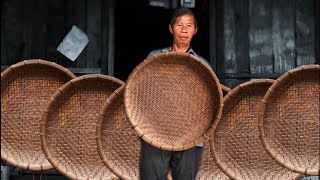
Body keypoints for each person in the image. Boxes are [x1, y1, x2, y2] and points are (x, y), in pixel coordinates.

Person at [140, 7, 210, 180]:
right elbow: (140, 90)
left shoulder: (202, 64)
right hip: (155, 131)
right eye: (179, 25)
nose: (184, 30)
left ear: (195, 30)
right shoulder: (155, 57)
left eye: (189, 25)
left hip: (191, 134)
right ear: (171, 28)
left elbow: (208, 101)